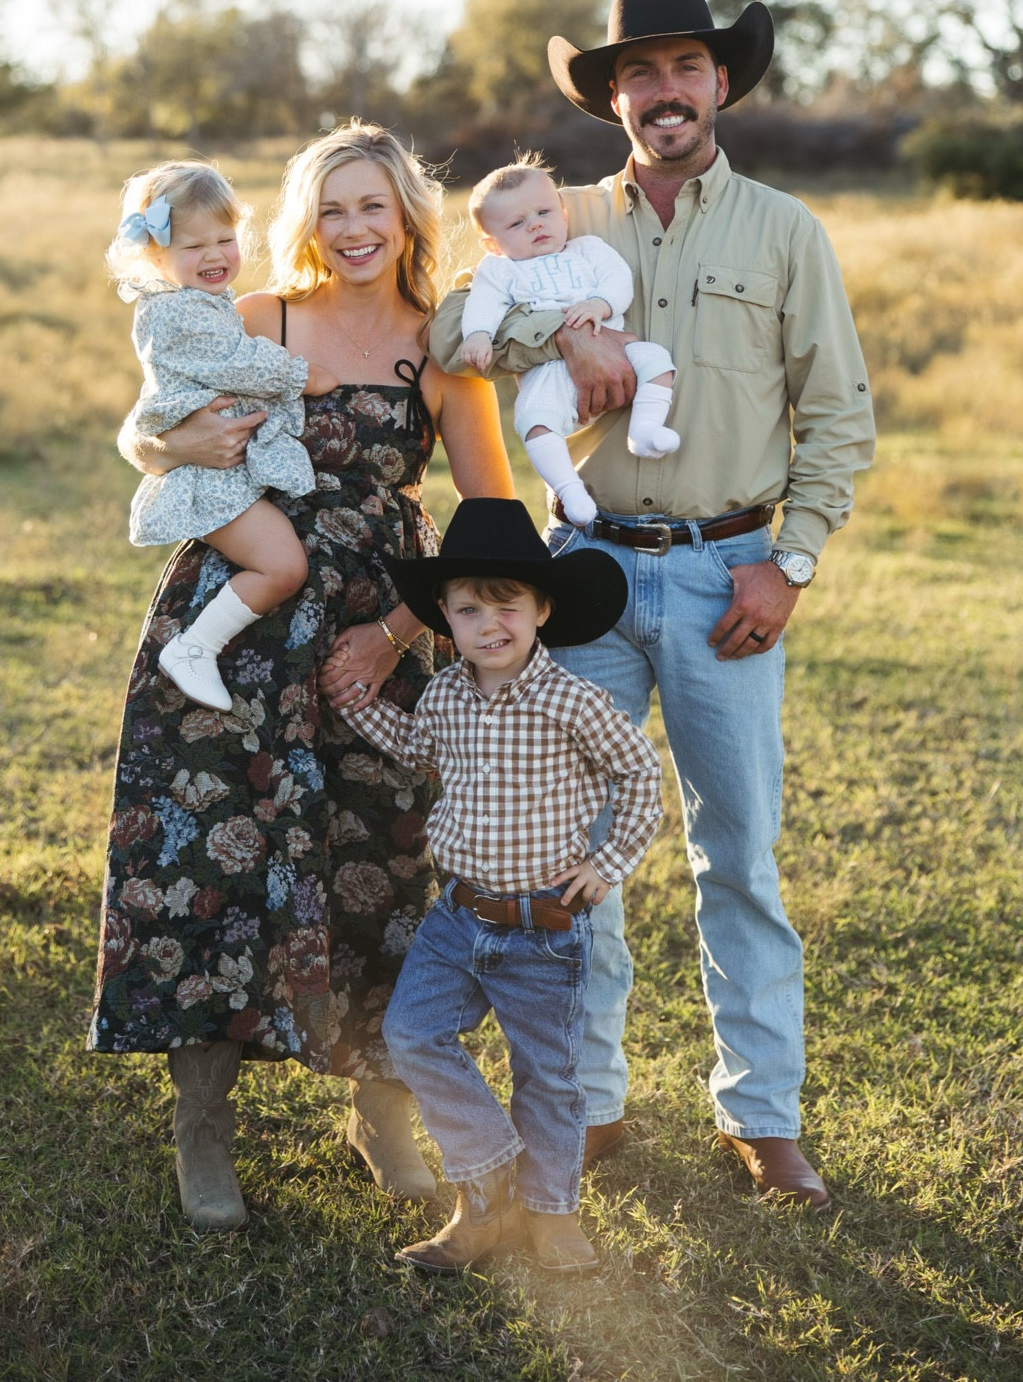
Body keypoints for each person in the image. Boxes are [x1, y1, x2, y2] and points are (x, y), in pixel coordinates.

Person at [430, 0, 876, 1209]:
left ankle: (764, 1114)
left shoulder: (785, 229)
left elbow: (838, 412)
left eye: (685, 67)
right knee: (577, 846)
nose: (664, 90)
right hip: (587, 576)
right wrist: (559, 331)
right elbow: (453, 320)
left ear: (719, 82)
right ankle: (590, 1097)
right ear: (611, 95)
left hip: (732, 567)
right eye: (640, 71)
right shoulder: (554, 215)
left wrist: (788, 564)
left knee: (735, 852)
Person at [89, 123, 515, 1233]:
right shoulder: (256, 317)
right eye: (332, 209)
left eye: (374, 206)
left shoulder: (443, 346)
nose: (355, 228)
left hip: (381, 634)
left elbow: (493, 517)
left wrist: (391, 629)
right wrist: (173, 450)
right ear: (305, 221)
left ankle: (381, 1111)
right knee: (214, 855)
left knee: (382, 861)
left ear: (408, 215)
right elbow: (147, 430)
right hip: (238, 623)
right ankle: (203, 1127)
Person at [331, 499, 662, 1276]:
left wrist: (606, 866)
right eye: (469, 607)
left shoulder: (572, 700)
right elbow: (419, 750)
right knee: (413, 1034)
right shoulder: (445, 694)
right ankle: (486, 1185)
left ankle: (550, 1216)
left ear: (541, 610)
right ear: (444, 618)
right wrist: (356, 703)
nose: (490, 623)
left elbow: (641, 775)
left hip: (543, 925)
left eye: (507, 604)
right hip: (459, 915)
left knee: (547, 1074)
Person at [110, 160, 338, 712]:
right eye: (193, 247)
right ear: (155, 254)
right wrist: (304, 375)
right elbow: (240, 364)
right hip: (210, 477)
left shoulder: (201, 303)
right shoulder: (177, 312)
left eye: (224, 238)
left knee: (281, 562)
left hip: (223, 468)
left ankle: (199, 645)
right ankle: (194, 648)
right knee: (283, 567)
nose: (214, 255)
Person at [455, 160, 678, 527]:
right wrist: (478, 334)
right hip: (548, 373)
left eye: (543, 212)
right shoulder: (500, 270)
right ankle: (568, 488)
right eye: (516, 223)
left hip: (614, 349)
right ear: (492, 244)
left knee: (656, 359)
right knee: (533, 421)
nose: (535, 224)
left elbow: (618, 278)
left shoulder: (588, 249)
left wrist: (601, 304)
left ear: (563, 213)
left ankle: (645, 429)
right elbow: (483, 303)